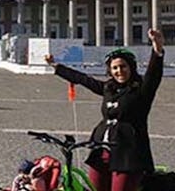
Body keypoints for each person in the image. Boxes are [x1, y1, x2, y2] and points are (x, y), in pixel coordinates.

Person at [44, 28, 165, 191]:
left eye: (123, 66)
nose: (119, 71)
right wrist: (56, 66)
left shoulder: (142, 90)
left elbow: (153, 74)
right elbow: (84, 80)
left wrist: (157, 48)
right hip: (101, 151)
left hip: (128, 153)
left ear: (131, 67)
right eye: (115, 68)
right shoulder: (108, 88)